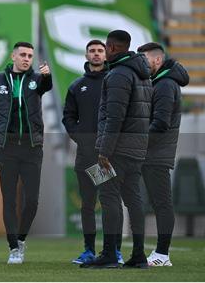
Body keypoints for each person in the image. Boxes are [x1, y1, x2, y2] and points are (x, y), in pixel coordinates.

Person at [83, 30, 152, 269]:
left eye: (105, 47)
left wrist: (103, 150)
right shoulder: (142, 73)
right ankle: (139, 255)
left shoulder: (118, 75)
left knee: (109, 197)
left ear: (111, 48)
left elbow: (114, 117)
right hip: (137, 149)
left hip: (116, 150)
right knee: (134, 201)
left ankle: (110, 253)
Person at [0, 41, 52, 264]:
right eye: (22, 55)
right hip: (6, 149)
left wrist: (47, 76)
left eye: (30, 56)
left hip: (32, 148)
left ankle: (21, 239)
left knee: (32, 201)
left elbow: (46, 88)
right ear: (13, 56)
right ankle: (13, 247)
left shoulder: (36, 80)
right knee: (9, 199)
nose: (26, 59)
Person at [62, 40, 124, 265]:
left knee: (111, 203)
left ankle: (115, 250)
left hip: (107, 156)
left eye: (100, 51)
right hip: (86, 155)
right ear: (86, 55)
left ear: (106, 54)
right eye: (92, 51)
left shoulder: (115, 82)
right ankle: (88, 250)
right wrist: (80, 137)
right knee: (87, 204)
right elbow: (68, 117)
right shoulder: (78, 86)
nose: (96, 54)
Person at [137, 42, 189, 267]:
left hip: (155, 155)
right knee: (105, 183)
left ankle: (162, 254)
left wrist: (135, 141)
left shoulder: (166, 85)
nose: (140, 63)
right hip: (146, 152)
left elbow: (160, 124)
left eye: (143, 59)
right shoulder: (158, 82)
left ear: (157, 60)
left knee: (161, 203)